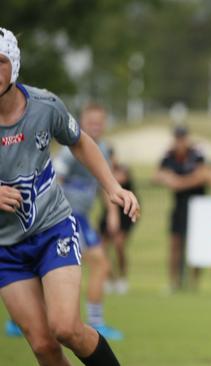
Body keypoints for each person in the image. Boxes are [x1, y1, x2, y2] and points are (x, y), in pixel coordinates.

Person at [0, 27, 138, 365]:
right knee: (43, 346)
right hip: (5, 248)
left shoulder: (45, 105)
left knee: (64, 327)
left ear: (14, 65)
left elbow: (79, 142)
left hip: (52, 230)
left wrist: (113, 187)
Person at [52, 102, 123, 340]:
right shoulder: (70, 149)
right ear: (82, 123)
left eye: (99, 122)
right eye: (91, 122)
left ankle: (19, 321)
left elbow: (106, 184)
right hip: (66, 217)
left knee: (94, 266)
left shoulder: (102, 149)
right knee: (98, 265)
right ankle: (95, 324)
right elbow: (54, 178)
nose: (96, 126)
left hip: (81, 218)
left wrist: (112, 215)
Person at [154, 126, 207, 292]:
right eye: (177, 138)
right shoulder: (169, 155)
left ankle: (193, 284)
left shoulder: (196, 153)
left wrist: (177, 182)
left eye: (182, 138)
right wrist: (170, 179)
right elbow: (157, 175)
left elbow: (202, 176)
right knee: (175, 244)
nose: (180, 142)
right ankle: (174, 283)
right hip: (179, 205)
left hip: (197, 206)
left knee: (196, 245)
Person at [100, 147, 137, 295]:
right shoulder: (101, 172)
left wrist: (105, 173)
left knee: (119, 245)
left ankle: (122, 278)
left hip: (125, 212)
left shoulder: (123, 169)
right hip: (108, 212)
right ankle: (110, 279)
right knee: (102, 247)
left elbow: (120, 178)